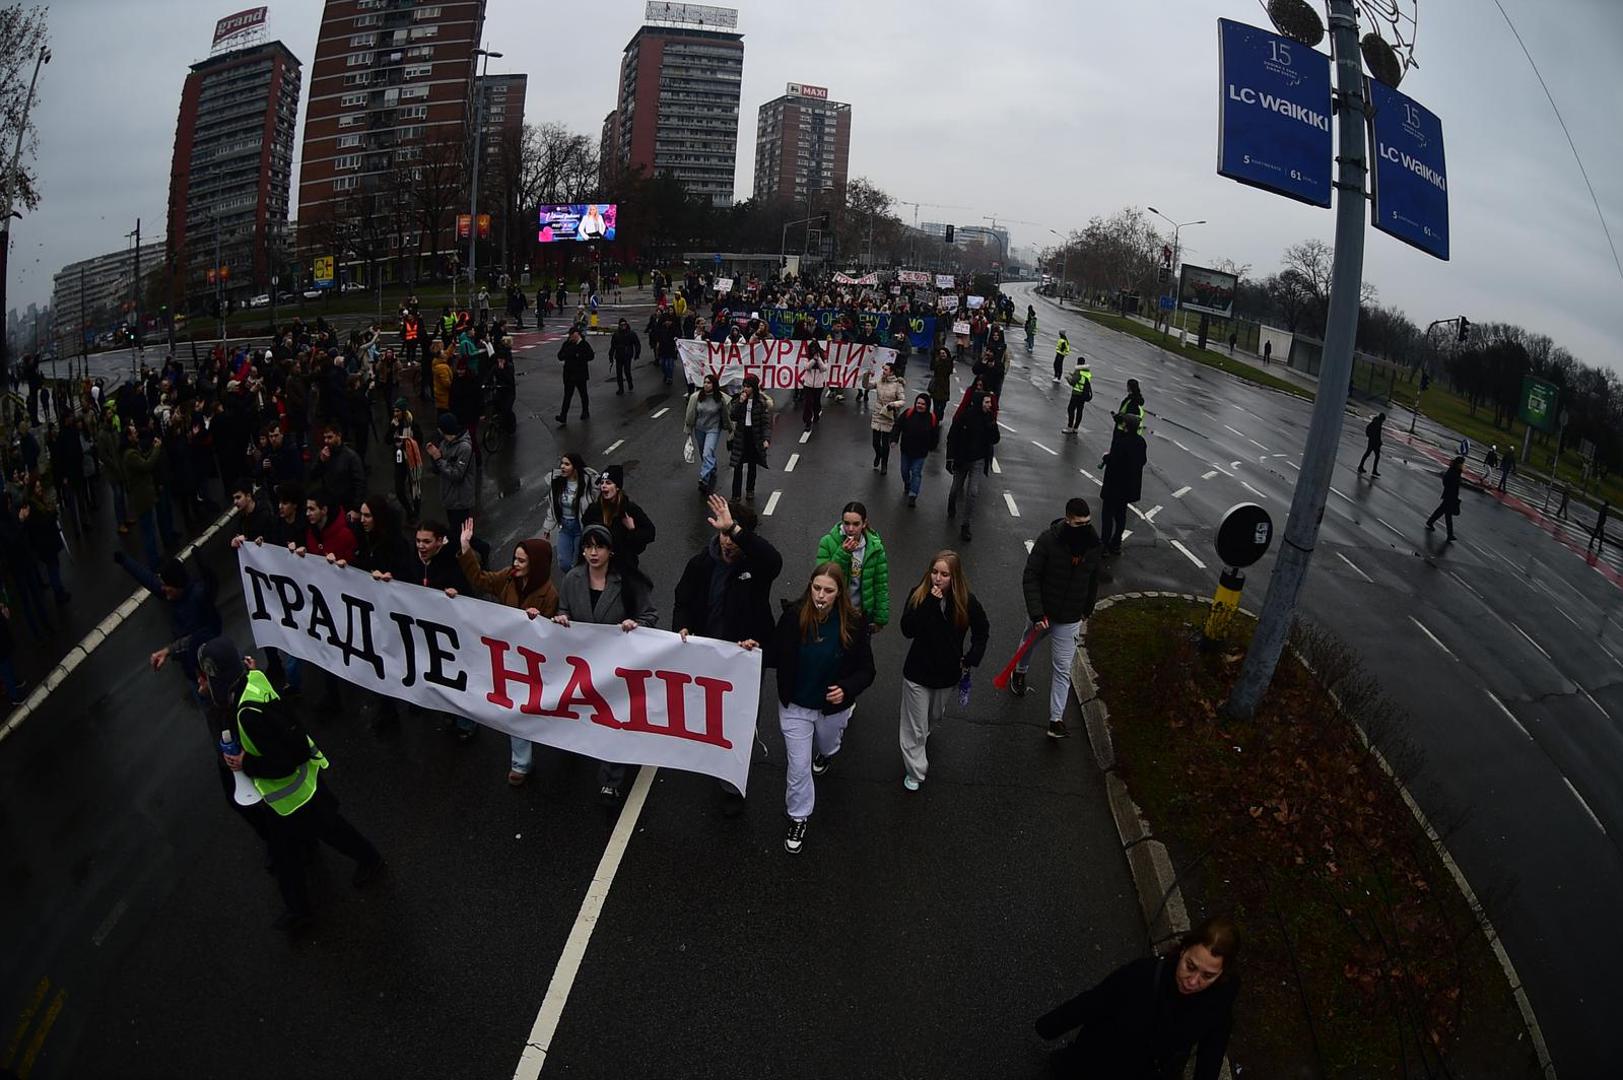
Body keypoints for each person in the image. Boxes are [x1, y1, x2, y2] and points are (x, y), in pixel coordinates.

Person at [199, 637, 385, 933]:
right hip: (296, 792)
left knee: (328, 832)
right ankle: (299, 910)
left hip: (291, 795)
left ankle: (368, 862)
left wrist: (245, 764)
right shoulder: (254, 678)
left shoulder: (247, 714)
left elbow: (286, 759)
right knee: (295, 851)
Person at [672, 495, 782, 813]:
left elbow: (775, 561)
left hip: (746, 656)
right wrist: (682, 627)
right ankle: (715, 757)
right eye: (722, 535)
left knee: (741, 717)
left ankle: (732, 782)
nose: (727, 543)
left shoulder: (757, 566)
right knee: (713, 713)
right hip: (710, 653)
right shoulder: (701, 564)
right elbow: (683, 600)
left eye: (732, 536)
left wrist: (734, 528)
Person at [1035, 914, 1240, 1080]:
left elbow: (1212, 1048)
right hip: (1104, 1057)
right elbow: (1095, 1001)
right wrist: (1051, 1025)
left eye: (1207, 975)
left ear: (1223, 973)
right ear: (1183, 950)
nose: (1193, 982)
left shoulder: (1220, 998)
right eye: (1190, 966)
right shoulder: (1143, 974)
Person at [769, 562, 876, 855]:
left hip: (831, 709)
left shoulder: (853, 623)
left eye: (828, 590)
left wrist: (847, 688)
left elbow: (867, 670)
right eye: (817, 588)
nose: (821, 595)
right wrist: (750, 650)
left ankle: (827, 753)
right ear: (810, 586)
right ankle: (798, 816)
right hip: (796, 706)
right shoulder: (793, 617)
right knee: (799, 766)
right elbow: (774, 652)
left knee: (829, 745)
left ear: (839, 593)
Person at [552, 523, 658, 804]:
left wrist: (635, 623)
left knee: (614, 719)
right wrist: (562, 618)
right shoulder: (572, 579)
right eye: (588, 547)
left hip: (617, 668)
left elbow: (650, 615)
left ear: (611, 551)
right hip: (583, 664)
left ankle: (611, 779)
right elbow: (563, 609)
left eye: (599, 547)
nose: (593, 553)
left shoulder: (627, 581)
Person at [456, 517, 558, 785]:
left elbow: (554, 639)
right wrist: (466, 548)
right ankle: (517, 761)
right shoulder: (508, 578)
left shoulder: (550, 596)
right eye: (515, 558)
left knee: (523, 709)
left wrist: (542, 621)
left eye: (522, 561)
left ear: (535, 565)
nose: (515, 564)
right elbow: (480, 580)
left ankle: (530, 758)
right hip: (503, 656)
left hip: (530, 665)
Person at [897, 550, 989, 791]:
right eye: (935, 572)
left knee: (933, 717)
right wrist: (930, 602)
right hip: (917, 671)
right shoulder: (918, 595)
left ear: (954, 577)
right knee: (914, 726)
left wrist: (971, 658)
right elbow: (908, 629)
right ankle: (916, 771)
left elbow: (982, 631)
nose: (938, 578)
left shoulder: (967, 602)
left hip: (947, 674)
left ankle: (923, 736)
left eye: (944, 574)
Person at [1012, 497, 1103, 739]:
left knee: (1063, 669)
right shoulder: (1048, 541)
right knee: (1028, 646)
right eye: (1078, 524)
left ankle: (1056, 719)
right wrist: (1037, 613)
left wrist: (1087, 609)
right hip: (1044, 613)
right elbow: (1031, 576)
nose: (1084, 529)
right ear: (1067, 520)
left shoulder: (1093, 545)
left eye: (1087, 523)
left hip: (1071, 617)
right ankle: (1019, 671)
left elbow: (1093, 578)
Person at [814, 501, 891, 632]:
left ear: (864, 523)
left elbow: (880, 585)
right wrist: (843, 554)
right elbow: (822, 577)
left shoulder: (875, 549)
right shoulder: (828, 542)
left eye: (856, 524)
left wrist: (880, 619)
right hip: (834, 611)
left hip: (859, 614)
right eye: (847, 523)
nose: (850, 529)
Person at [945, 390, 1001, 543]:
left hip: (978, 460)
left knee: (973, 493)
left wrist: (992, 425)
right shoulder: (965, 416)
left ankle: (966, 524)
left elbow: (995, 439)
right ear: (979, 402)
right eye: (987, 402)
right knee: (955, 489)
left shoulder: (989, 418)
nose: (990, 405)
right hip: (962, 459)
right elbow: (952, 436)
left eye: (990, 402)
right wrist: (950, 458)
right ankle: (951, 506)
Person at [592, 464, 656, 578]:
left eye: (608, 483)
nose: (603, 486)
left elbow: (650, 533)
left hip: (625, 567)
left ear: (617, 487)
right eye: (602, 483)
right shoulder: (595, 509)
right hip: (601, 567)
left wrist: (632, 530)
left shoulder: (629, 509)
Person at [540, 452, 599, 573]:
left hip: (581, 528)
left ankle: (581, 584)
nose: (562, 467)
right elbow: (552, 507)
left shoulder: (588, 483)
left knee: (580, 561)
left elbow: (598, 501)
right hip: (565, 529)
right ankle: (574, 579)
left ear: (575, 466)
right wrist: (547, 528)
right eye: (562, 463)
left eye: (567, 464)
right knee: (564, 563)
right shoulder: (557, 483)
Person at [1098, 415, 1147, 556]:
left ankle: (1104, 544)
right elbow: (1142, 461)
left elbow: (1114, 461)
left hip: (1114, 485)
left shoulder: (1121, 441)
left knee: (1107, 515)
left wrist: (1105, 457)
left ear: (1126, 425)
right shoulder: (1141, 442)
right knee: (1121, 516)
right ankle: (1116, 544)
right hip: (1128, 487)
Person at [426, 412, 476, 539]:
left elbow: (457, 474)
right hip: (449, 497)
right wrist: (434, 455)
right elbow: (440, 468)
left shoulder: (464, 447)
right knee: (456, 532)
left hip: (460, 500)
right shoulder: (445, 443)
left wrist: (438, 459)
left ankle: (480, 550)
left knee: (460, 535)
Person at [683, 374, 733, 496]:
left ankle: (704, 479)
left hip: (713, 429)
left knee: (707, 452)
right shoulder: (696, 397)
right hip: (699, 429)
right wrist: (688, 428)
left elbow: (727, 415)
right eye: (705, 382)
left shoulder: (721, 399)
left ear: (714, 385)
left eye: (709, 383)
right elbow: (690, 414)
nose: (706, 385)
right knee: (704, 454)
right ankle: (712, 467)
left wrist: (731, 429)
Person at [728, 374, 773, 501]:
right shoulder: (739, 401)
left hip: (754, 436)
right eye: (744, 386)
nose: (745, 389)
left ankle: (750, 490)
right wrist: (740, 403)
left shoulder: (760, 403)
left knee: (752, 466)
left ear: (754, 388)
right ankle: (736, 494)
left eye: (748, 386)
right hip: (741, 436)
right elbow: (733, 416)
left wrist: (766, 439)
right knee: (738, 466)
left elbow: (765, 423)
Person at [311, 423, 366, 517]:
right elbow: (312, 476)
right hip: (330, 504)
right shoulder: (324, 454)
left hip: (346, 505)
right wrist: (321, 461)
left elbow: (360, 484)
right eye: (325, 438)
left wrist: (356, 509)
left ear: (339, 436)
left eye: (330, 437)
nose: (326, 441)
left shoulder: (351, 457)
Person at [894, 392, 939, 508]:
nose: (920, 406)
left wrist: (932, 446)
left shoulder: (931, 418)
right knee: (904, 471)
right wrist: (894, 439)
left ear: (927, 405)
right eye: (918, 403)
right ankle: (907, 484)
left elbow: (935, 435)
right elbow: (898, 426)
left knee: (916, 473)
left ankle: (913, 495)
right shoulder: (908, 414)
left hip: (920, 453)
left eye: (923, 404)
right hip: (906, 450)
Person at [869, 360, 905, 475]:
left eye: (886, 370)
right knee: (875, 442)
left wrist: (893, 404)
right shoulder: (879, 381)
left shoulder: (897, 385)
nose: (883, 371)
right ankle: (878, 455)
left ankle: (884, 464)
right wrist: (866, 375)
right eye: (883, 369)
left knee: (885, 443)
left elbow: (902, 400)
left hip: (888, 415)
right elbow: (867, 386)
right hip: (877, 413)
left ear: (891, 372)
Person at [555, 326, 593, 424]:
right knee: (567, 395)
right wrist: (567, 355)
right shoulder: (567, 344)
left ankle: (585, 411)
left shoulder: (584, 344)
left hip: (580, 374)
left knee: (583, 393)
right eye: (571, 336)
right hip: (568, 374)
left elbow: (591, 356)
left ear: (578, 335)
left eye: (574, 336)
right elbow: (559, 356)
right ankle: (563, 415)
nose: (572, 338)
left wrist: (579, 356)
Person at [1424, 456, 1465, 542]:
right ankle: (1449, 534)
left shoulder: (1456, 471)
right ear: (1458, 464)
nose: (1463, 466)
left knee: (1442, 511)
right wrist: (1450, 490)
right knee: (1447, 515)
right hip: (1450, 496)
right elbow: (1447, 481)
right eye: (1462, 464)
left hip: (1450, 496)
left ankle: (1431, 522)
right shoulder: (1454, 471)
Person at [609, 317, 641, 395]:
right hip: (619, 355)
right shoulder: (616, 334)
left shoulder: (631, 333)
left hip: (627, 355)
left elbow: (637, 344)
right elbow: (612, 346)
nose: (623, 326)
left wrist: (637, 353)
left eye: (624, 324)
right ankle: (621, 389)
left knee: (627, 371)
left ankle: (630, 383)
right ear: (619, 325)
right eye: (622, 325)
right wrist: (611, 356)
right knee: (619, 373)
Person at [1064, 355, 1093, 434]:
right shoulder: (1087, 372)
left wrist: (1068, 378)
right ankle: (1076, 428)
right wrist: (1073, 375)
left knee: (1071, 409)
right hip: (1083, 394)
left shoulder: (1078, 371)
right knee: (1080, 411)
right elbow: (1082, 380)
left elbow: (1073, 383)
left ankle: (1070, 427)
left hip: (1076, 393)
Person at [928, 345, 954, 423]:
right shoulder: (937, 362)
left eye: (944, 353)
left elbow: (948, 370)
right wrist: (934, 358)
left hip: (944, 387)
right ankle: (935, 419)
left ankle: (939, 416)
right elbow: (932, 367)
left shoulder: (948, 362)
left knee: (942, 405)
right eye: (941, 353)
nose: (942, 355)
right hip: (936, 386)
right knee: (936, 406)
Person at [1357, 412, 1385, 476]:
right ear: (1382, 419)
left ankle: (1361, 466)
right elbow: (1377, 434)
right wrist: (1379, 442)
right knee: (1376, 456)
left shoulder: (1374, 422)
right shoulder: (1378, 423)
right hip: (1374, 442)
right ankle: (1373, 470)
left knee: (1368, 454)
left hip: (1371, 441)